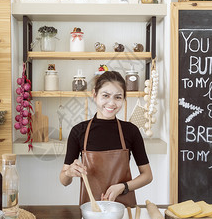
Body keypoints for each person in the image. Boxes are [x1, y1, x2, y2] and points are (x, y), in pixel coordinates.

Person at [59, 71, 152, 207]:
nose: (111, 103)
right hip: (91, 209)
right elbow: (64, 181)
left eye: (118, 97)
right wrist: (69, 172)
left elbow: (147, 176)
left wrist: (123, 187)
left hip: (124, 209)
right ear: (95, 95)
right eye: (105, 96)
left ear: (124, 99)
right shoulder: (78, 131)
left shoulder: (131, 131)